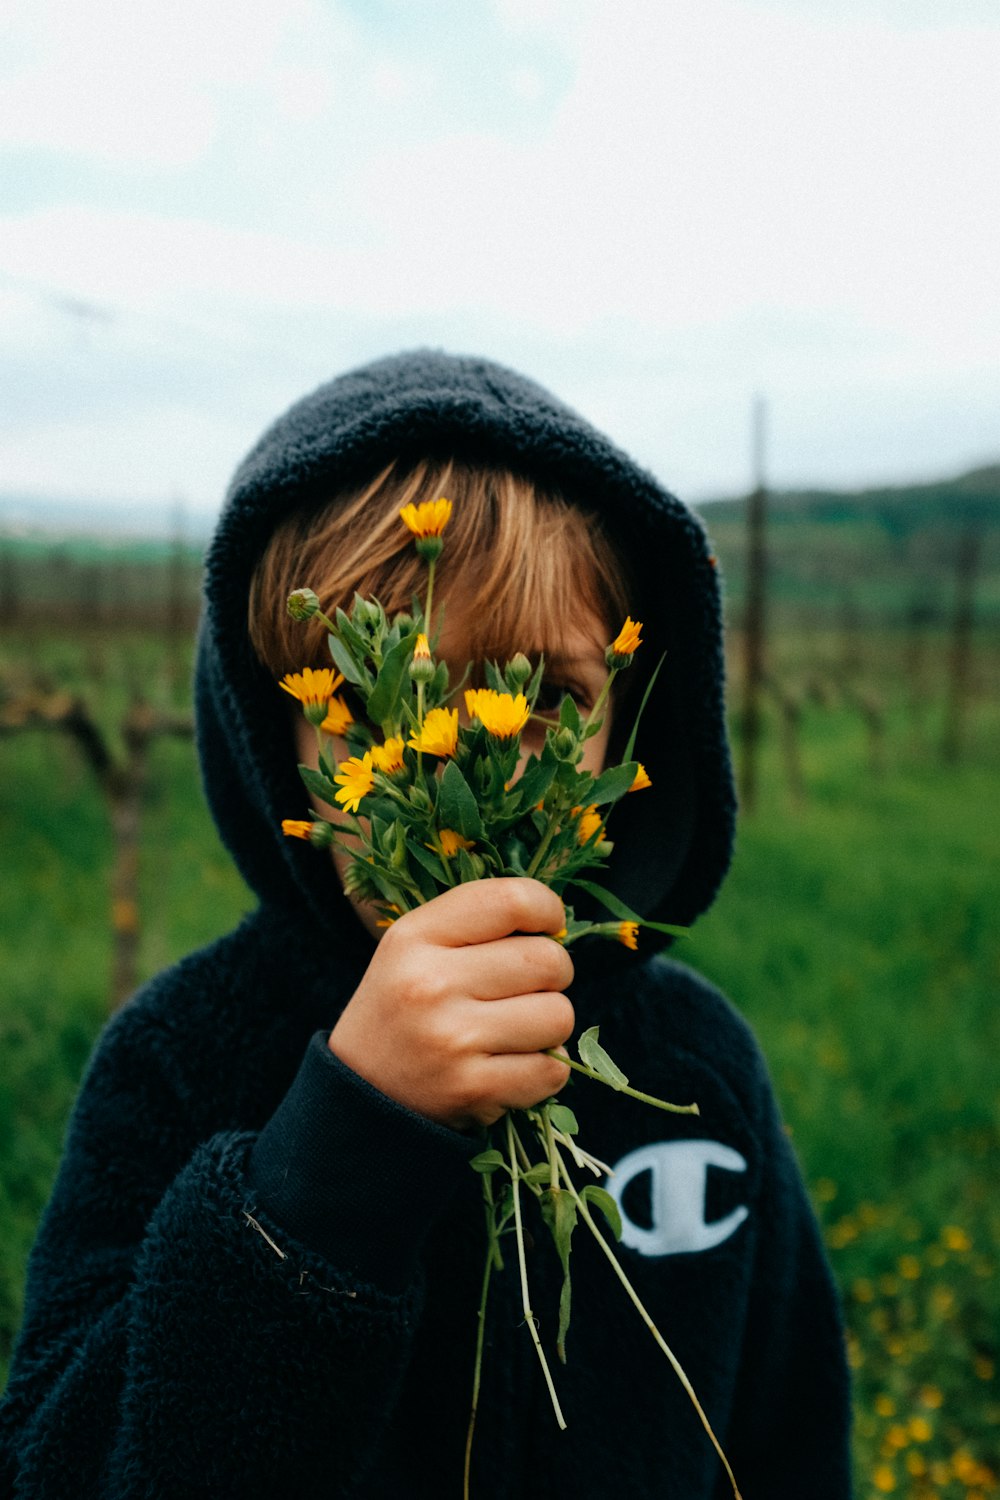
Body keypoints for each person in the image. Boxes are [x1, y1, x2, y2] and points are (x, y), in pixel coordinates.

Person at [0, 350, 853, 1498]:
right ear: (275, 747)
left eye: (544, 699)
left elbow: (794, 1443)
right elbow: (65, 1469)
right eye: (373, 712)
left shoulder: (697, 1074)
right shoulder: (182, 1062)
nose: (469, 776)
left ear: (626, 736)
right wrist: (334, 1162)